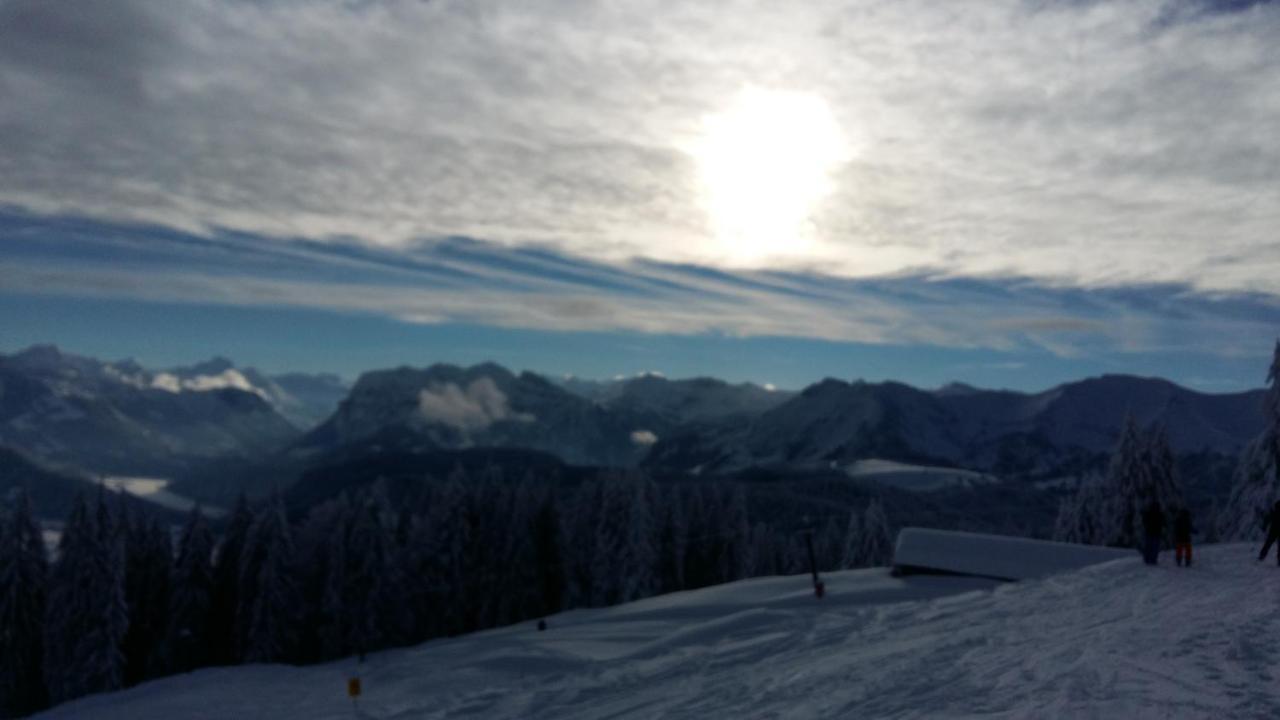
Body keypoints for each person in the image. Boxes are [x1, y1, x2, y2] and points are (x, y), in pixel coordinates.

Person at [1141, 501, 1164, 566]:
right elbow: (1162, 523)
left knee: (1149, 546)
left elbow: (1144, 521)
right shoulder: (1159, 514)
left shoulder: (1148, 513)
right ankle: (1153, 559)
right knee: (1154, 547)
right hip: (1156, 533)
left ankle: (1147, 559)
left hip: (1150, 532)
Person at [1258, 500, 1280, 565]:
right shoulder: (1273, 512)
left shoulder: (1273, 512)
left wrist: (1264, 527)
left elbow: (1267, 519)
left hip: (1273, 531)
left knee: (1268, 544)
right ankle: (1279, 561)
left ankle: (1262, 556)